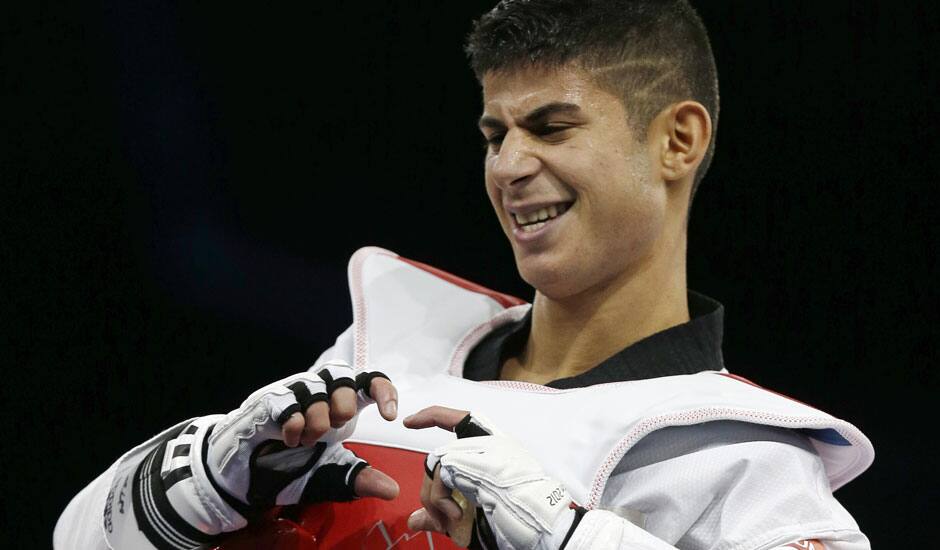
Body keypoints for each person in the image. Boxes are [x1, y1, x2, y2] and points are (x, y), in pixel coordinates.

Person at [54, 1, 874, 549]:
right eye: (494, 133)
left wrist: (569, 537)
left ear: (677, 142)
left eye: (552, 126)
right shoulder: (383, 349)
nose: (510, 166)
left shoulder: (743, 459)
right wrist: (197, 483)